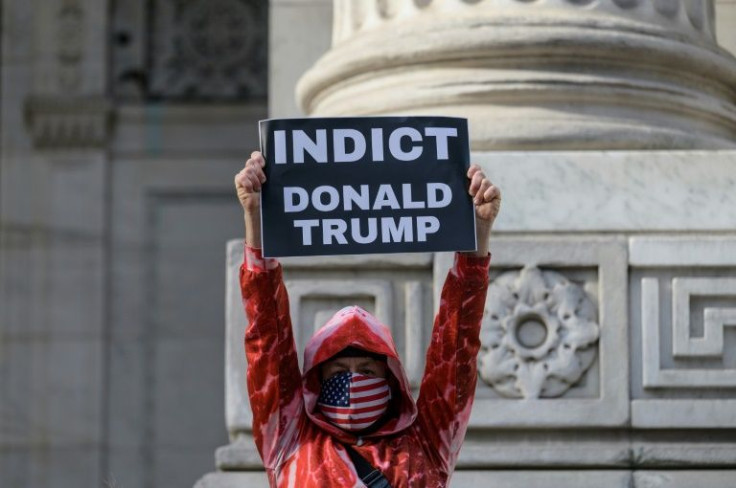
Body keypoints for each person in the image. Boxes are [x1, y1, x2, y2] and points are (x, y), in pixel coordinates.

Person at [234, 150, 501, 488]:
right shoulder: (288, 438)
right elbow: (266, 338)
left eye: (367, 370)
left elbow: (457, 349)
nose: (353, 381)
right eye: (339, 371)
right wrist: (257, 220)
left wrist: (476, 234)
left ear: (390, 379)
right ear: (317, 379)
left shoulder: (428, 442)